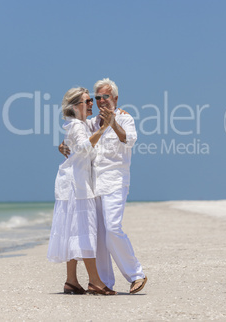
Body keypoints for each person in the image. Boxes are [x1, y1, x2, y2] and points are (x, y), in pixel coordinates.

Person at [60, 78, 147, 294]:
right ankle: (103, 282)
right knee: (98, 235)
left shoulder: (125, 119)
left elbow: (129, 140)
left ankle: (136, 274)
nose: (100, 101)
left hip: (116, 182)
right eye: (97, 98)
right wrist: (62, 145)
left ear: (115, 98)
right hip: (93, 185)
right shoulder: (91, 123)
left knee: (112, 228)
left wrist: (113, 123)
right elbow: (77, 138)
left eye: (104, 97)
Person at [47, 87, 116, 295]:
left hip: (73, 184)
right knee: (84, 232)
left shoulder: (80, 124)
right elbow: (84, 148)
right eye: (86, 102)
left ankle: (71, 281)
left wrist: (64, 144)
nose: (91, 104)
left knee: (73, 231)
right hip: (78, 187)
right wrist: (103, 130)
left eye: (90, 101)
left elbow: (74, 145)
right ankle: (95, 281)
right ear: (75, 106)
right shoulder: (78, 125)